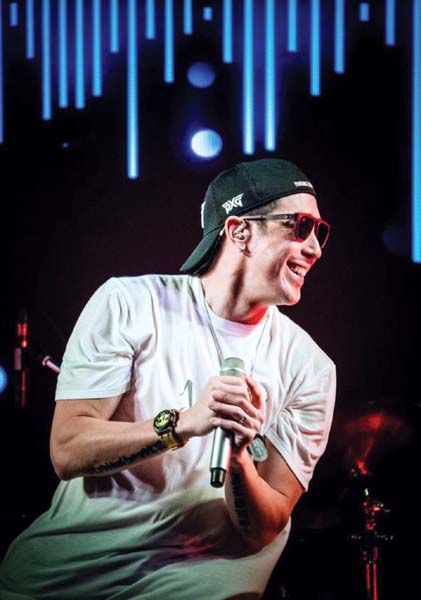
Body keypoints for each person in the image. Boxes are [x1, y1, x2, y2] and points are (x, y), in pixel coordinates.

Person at [0, 158, 336, 599]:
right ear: (239, 231)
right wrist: (181, 424)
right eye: (300, 226)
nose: (315, 248)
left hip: (198, 575)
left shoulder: (309, 367)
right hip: (71, 570)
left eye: (320, 232)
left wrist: (238, 461)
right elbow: (67, 449)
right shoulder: (130, 305)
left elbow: (265, 528)